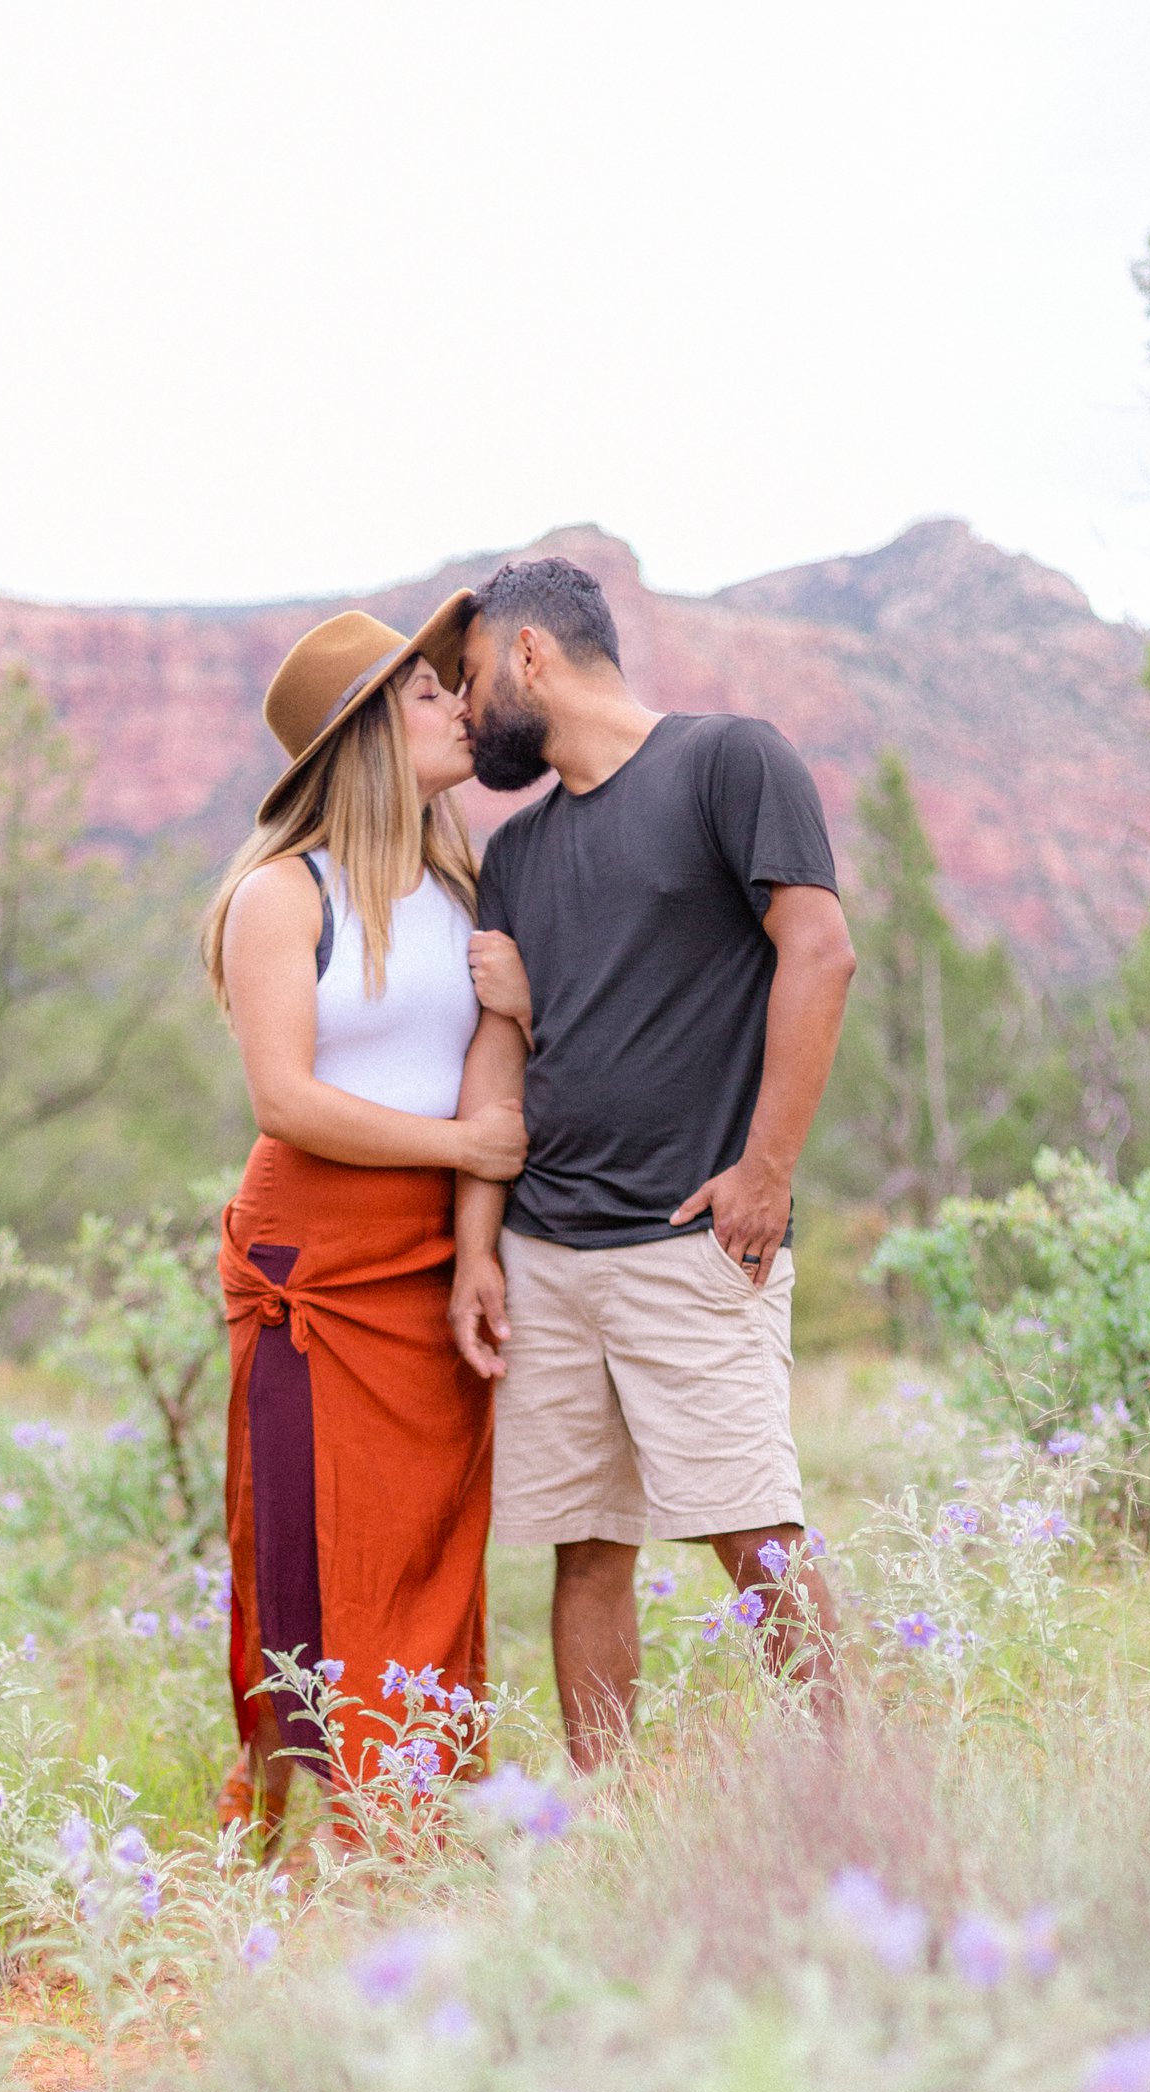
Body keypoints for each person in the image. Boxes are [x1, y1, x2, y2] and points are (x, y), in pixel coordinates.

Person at [447, 554, 858, 1769]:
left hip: (691, 1238)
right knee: (586, 1548)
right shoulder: (517, 853)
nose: (465, 709)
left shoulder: (729, 762)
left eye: (470, 677)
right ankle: (611, 1821)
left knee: (754, 1534)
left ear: (529, 653)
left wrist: (767, 1169)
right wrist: (478, 1250)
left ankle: (861, 1792)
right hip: (547, 1252)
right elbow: (506, 1052)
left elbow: (820, 953)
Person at [204, 602, 531, 1841]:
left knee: (430, 1536)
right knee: (305, 1535)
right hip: (315, 1262)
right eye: (427, 694)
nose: (459, 707)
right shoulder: (281, 895)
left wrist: (477, 1241)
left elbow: (491, 1073)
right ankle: (298, 1827)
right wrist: (460, 1149)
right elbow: (284, 1100)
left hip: (433, 1254)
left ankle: (416, 1819)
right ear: (365, 736)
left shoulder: (463, 888)